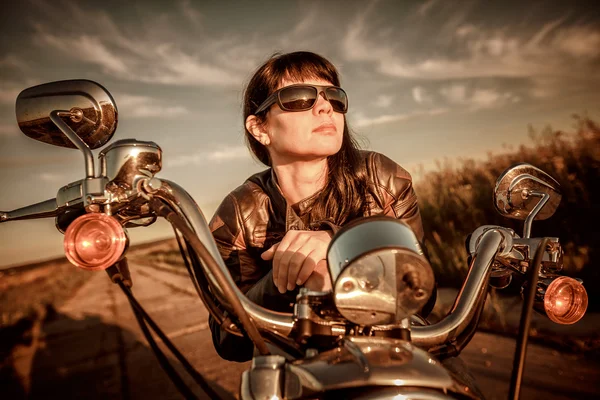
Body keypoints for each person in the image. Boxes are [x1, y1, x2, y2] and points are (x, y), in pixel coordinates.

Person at [208, 51, 435, 362]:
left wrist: (339, 246)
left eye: (335, 97)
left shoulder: (382, 178)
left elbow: (422, 295)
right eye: (299, 98)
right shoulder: (238, 213)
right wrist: (285, 278)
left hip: (394, 355)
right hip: (299, 367)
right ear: (260, 128)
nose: (325, 107)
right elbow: (228, 341)